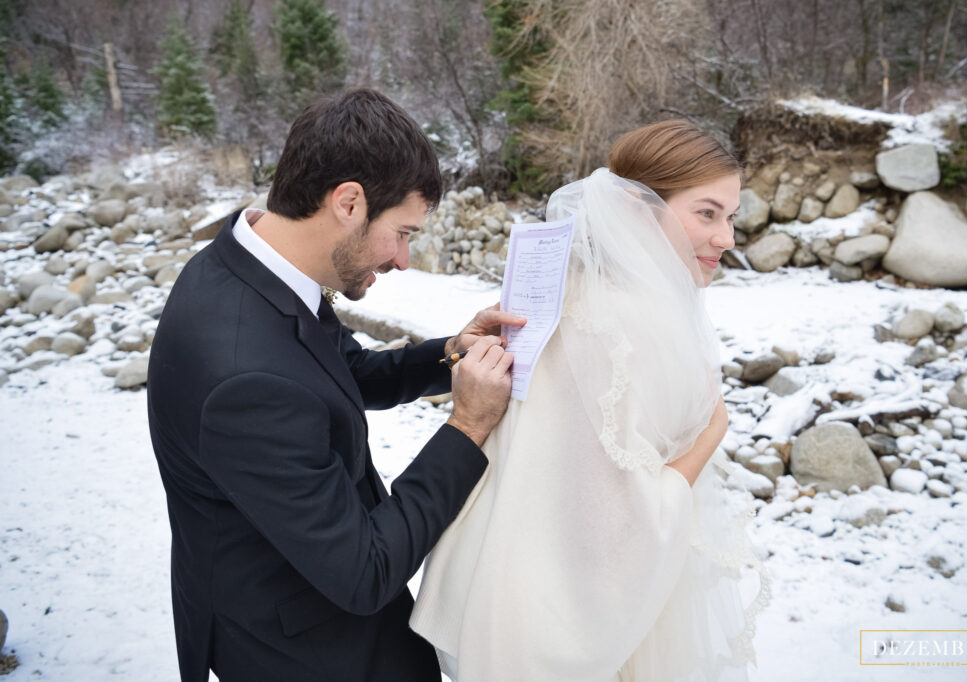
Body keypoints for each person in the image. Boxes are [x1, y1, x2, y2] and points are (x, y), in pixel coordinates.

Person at [147, 88, 524, 682]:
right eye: (402, 232)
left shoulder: (251, 263)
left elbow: (339, 369)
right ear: (348, 202)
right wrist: (468, 425)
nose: (403, 259)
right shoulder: (245, 378)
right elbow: (364, 571)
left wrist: (449, 352)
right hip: (306, 647)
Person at [410, 120, 771, 681]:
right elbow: (618, 520)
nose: (726, 238)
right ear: (637, 208)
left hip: (497, 586)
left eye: (731, 217)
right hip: (564, 617)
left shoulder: (566, 291)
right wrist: (709, 436)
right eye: (706, 213)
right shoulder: (636, 323)